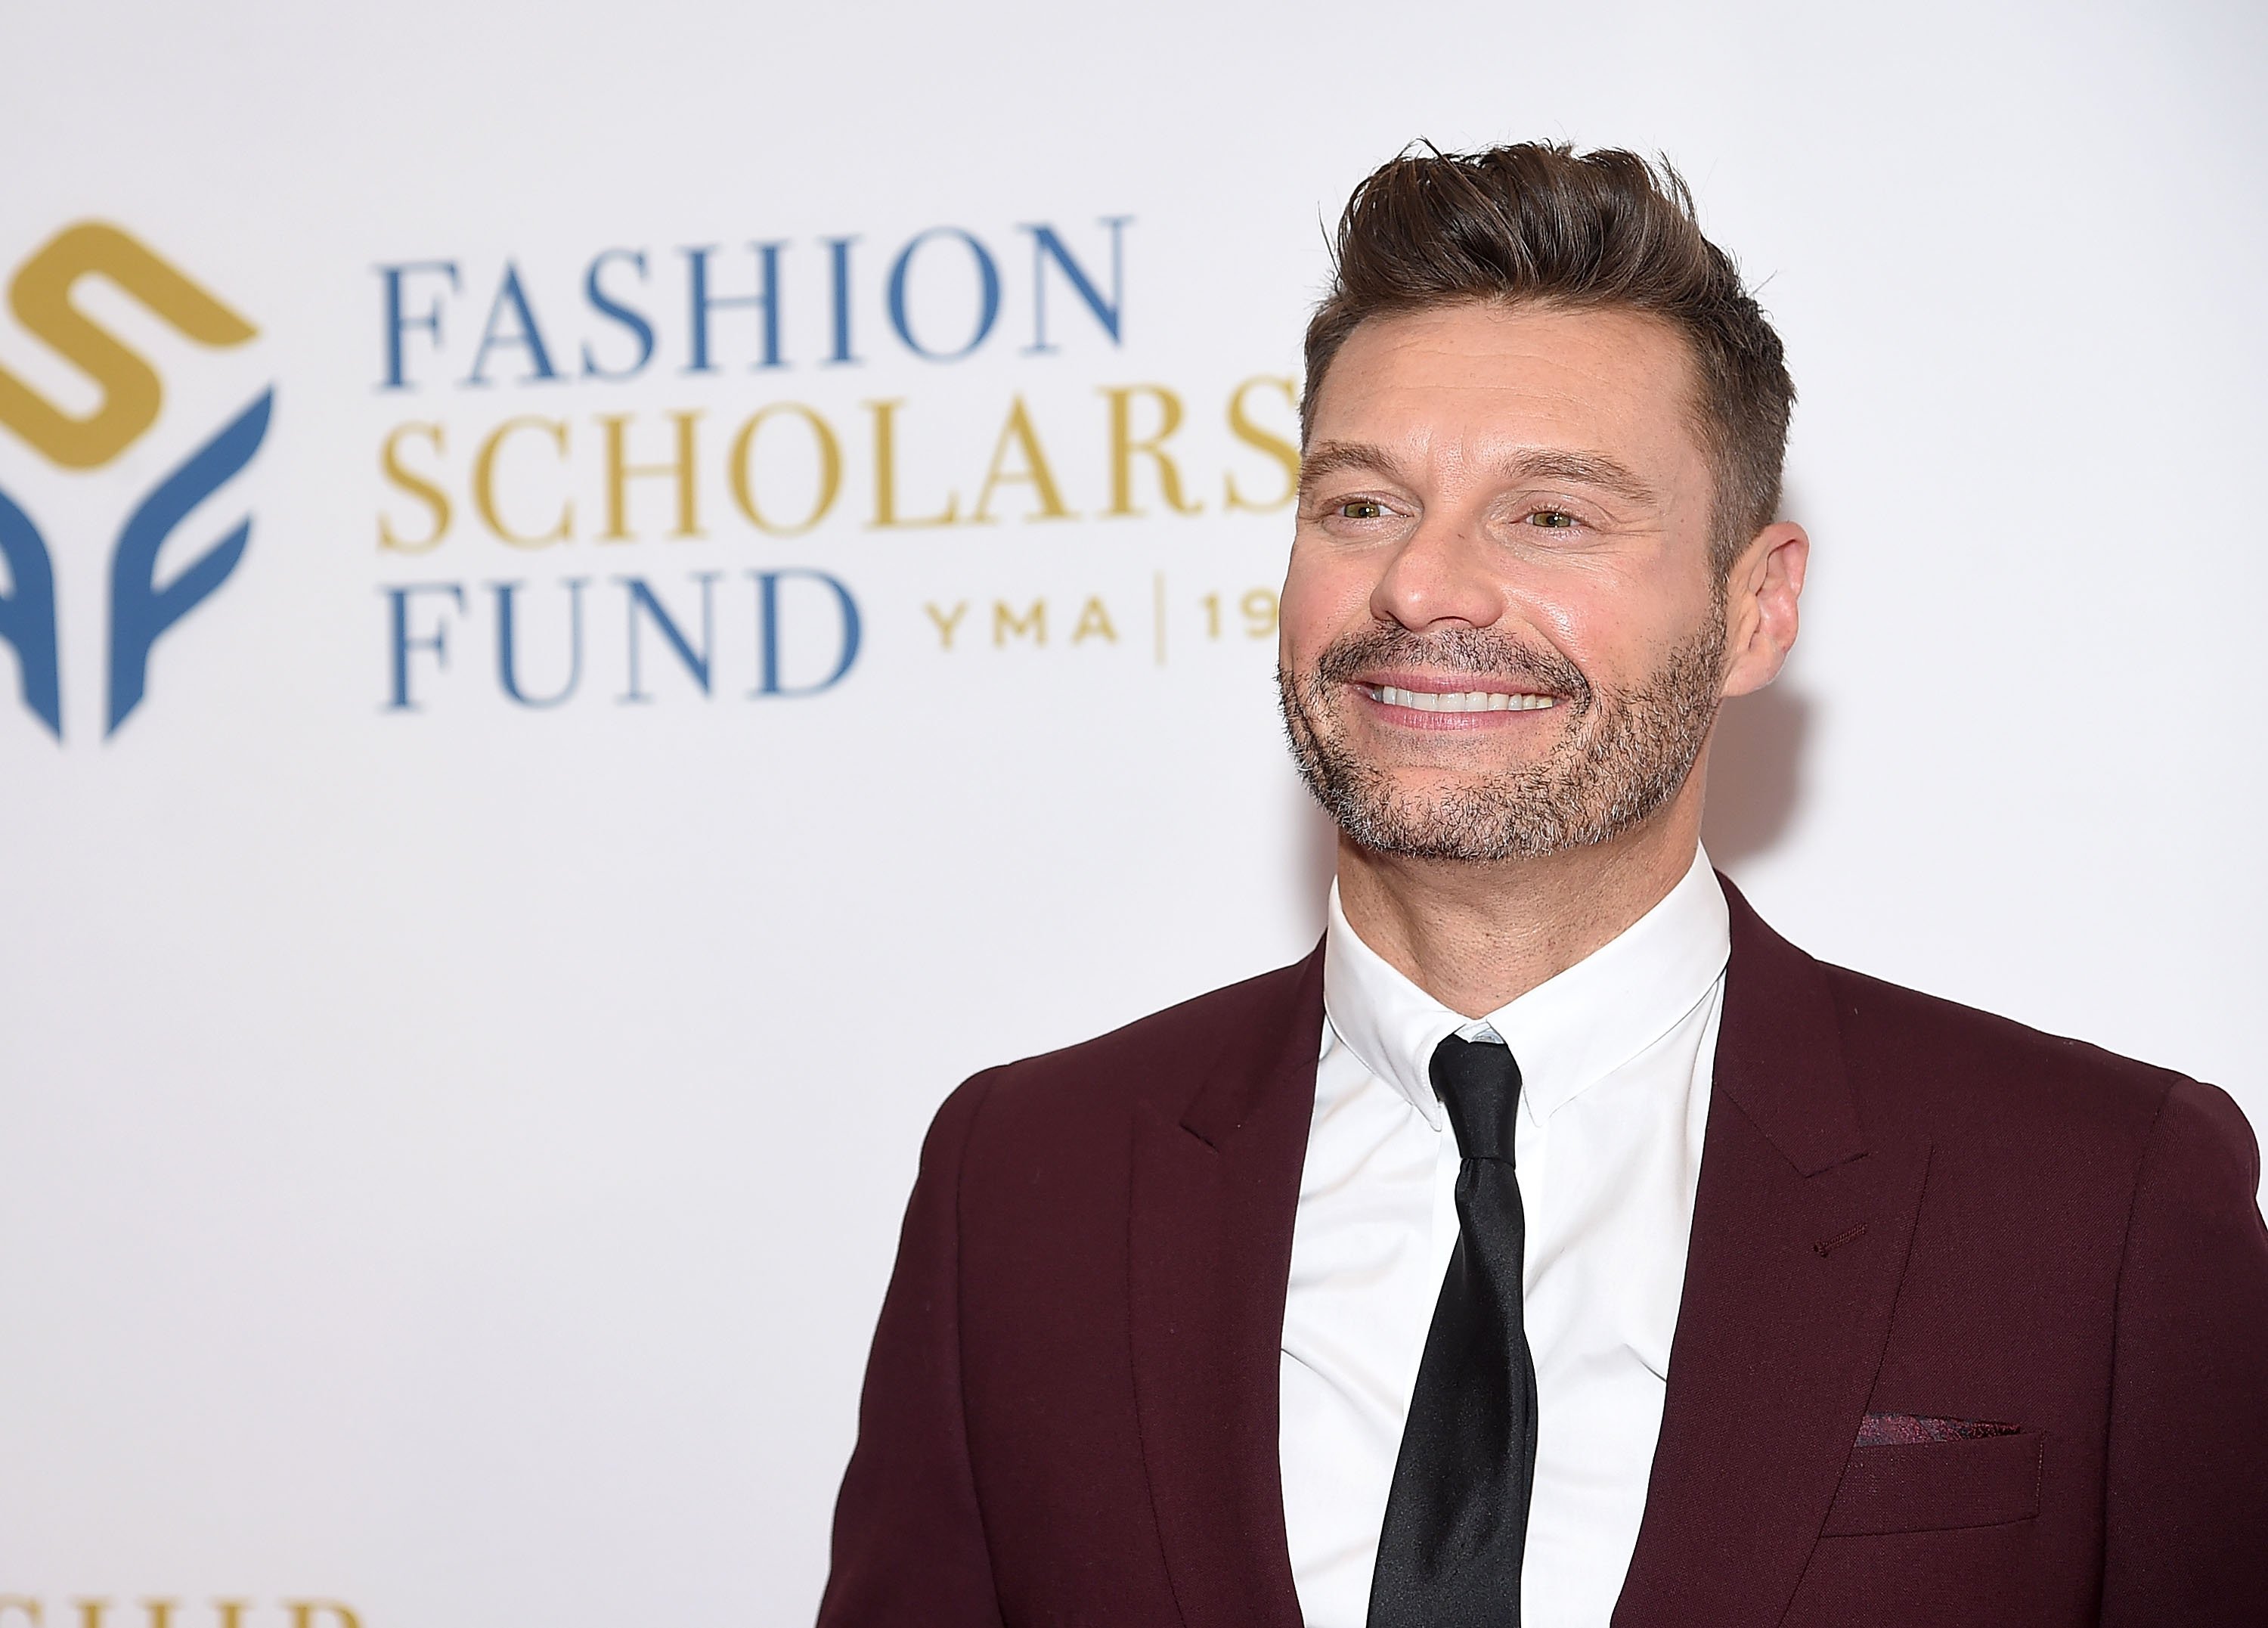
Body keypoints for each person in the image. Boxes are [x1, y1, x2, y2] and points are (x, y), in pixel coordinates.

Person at [815, 142, 2268, 1627]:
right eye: (1362, 506)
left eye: (1552, 516)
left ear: (1757, 609)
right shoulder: (1027, 1179)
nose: (1422, 586)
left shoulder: (2101, 1194)